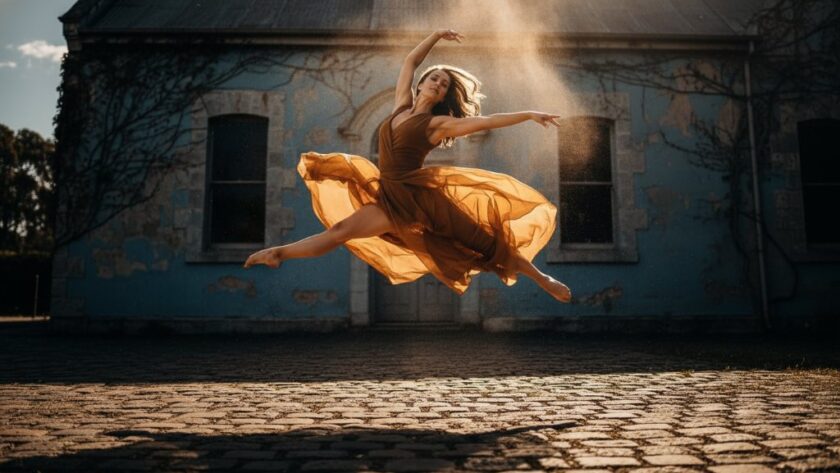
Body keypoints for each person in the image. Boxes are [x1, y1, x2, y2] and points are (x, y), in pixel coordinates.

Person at [244, 29, 571, 303]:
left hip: (418, 199)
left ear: (443, 97)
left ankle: (543, 279)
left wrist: (528, 114)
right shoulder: (401, 106)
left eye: (444, 85)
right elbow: (410, 61)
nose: (438, 84)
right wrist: (436, 36)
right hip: (388, 195)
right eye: (434, 79)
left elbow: (486, 121)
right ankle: (279, 253)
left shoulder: (437, 124)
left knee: (483, 241)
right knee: (340, 232)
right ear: (421, 84)